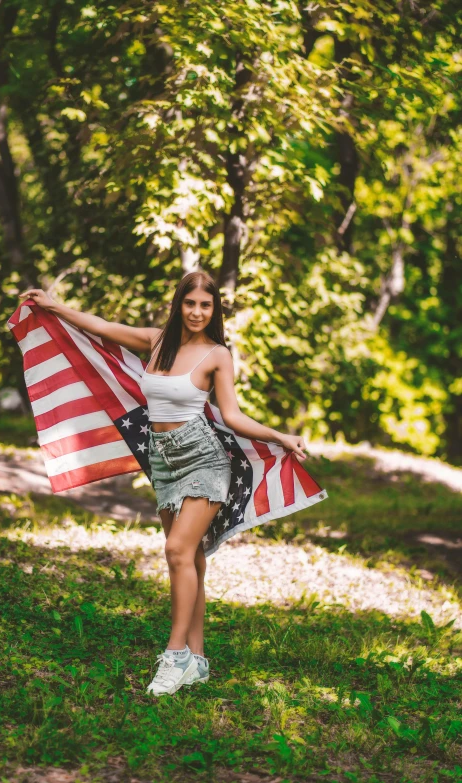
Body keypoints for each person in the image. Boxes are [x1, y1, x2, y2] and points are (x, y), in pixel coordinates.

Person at [19, 270, 307, 697]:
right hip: (163, 460)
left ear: (215, 310)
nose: (196, 312)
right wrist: (54, 306)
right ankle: (198, 660)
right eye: (190, 303)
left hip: (204, 458)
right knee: (191, 559)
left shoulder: (216, 355)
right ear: (179, 305)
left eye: (205, 305)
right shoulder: (157, 342)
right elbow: (101, 327)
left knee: (176, 551)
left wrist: (281, 436)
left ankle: (174, 658)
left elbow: (232, 416)